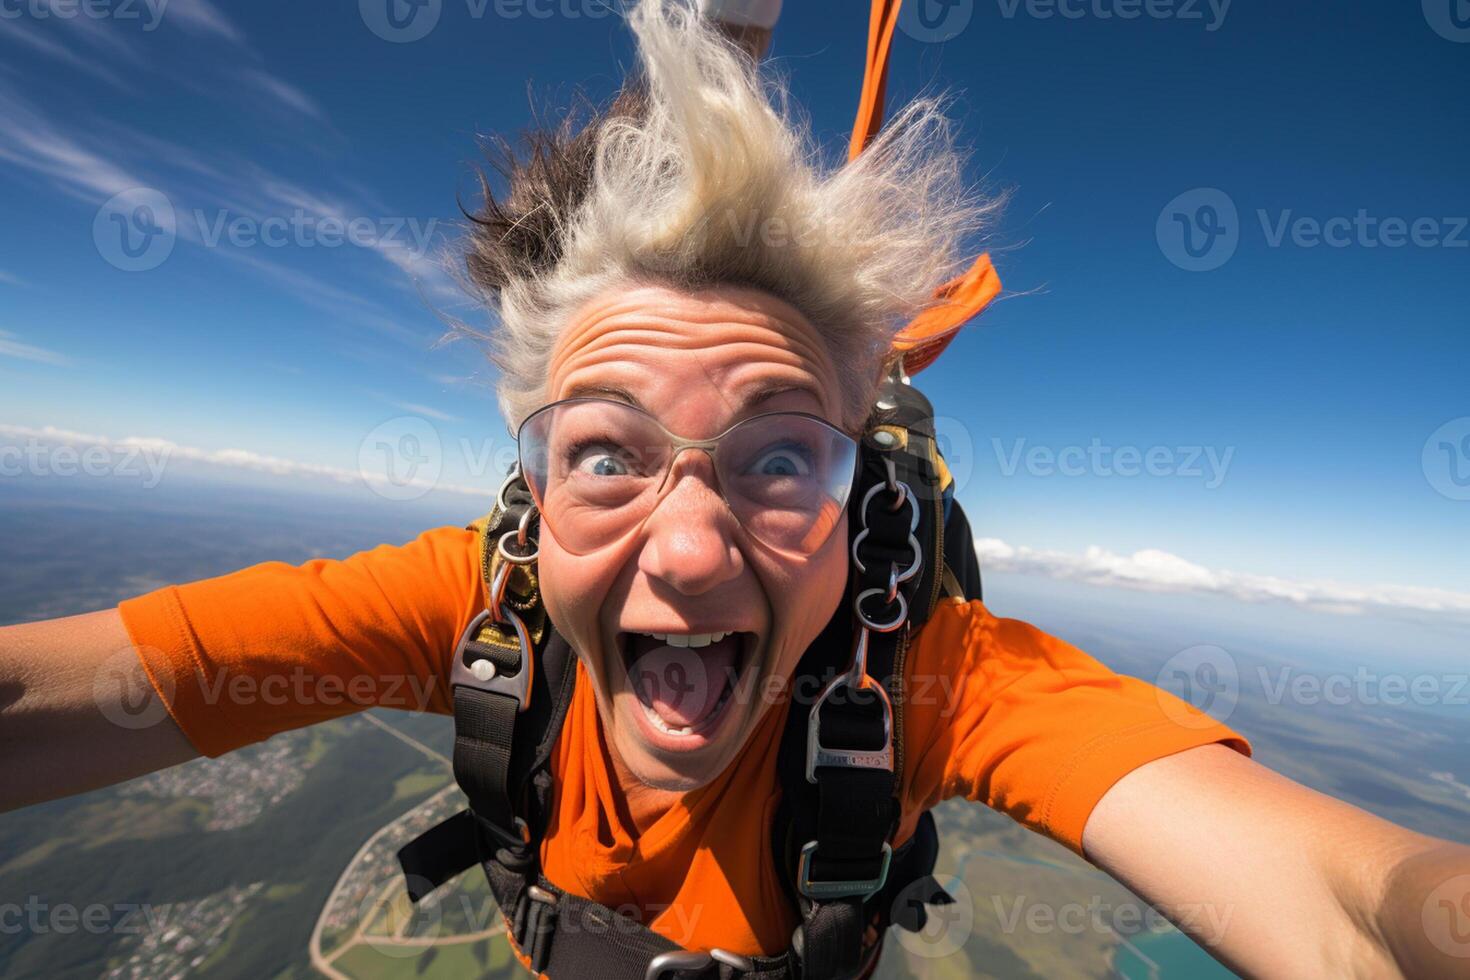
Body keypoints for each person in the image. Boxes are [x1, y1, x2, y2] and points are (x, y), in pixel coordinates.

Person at [2, 2, 1467, 977]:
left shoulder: (931, 672)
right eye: (605, 456)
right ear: (532, 487)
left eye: (780, 458)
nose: (690, 552)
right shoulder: (472, 601)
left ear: (852, 494)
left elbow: (1359, 910)